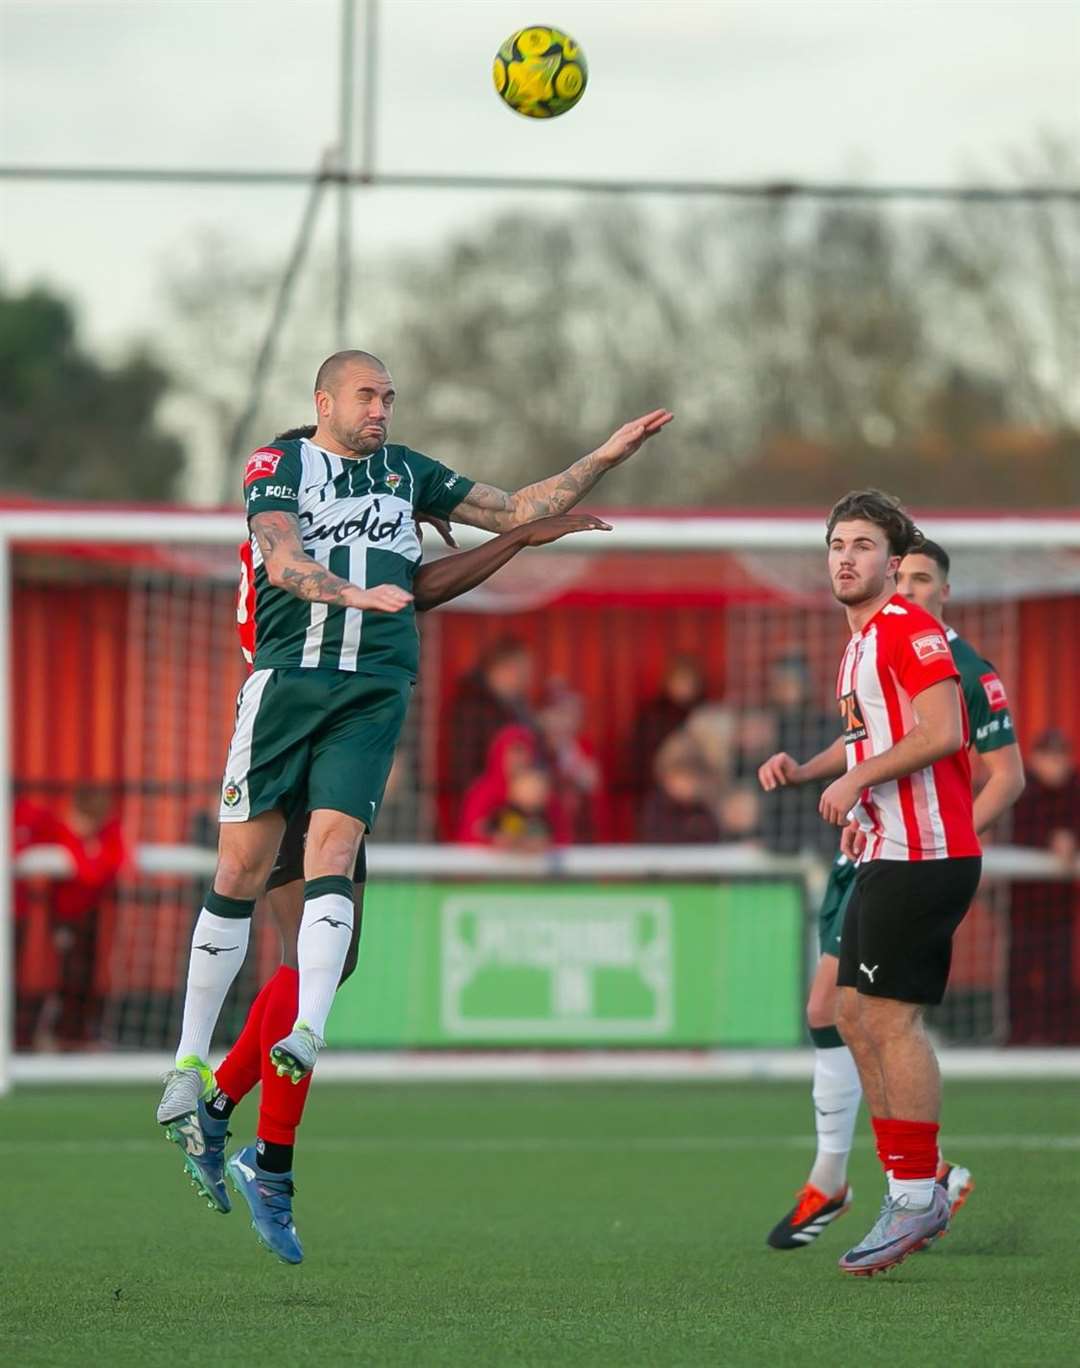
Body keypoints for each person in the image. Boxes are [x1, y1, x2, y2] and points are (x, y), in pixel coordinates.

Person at [155, 353, 671, 1255]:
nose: (384, 408)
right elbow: (283, 561)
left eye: (391, 396)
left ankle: (242, 1131)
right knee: (288, 917)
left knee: (330, 952)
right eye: (369, 394)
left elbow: (503, 519)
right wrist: (353, 593)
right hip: (290, 695)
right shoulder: (278, 466)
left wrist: (602, 457)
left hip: (369, 692)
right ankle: (230, 1120)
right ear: (325, 403)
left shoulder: (409, 476)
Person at [760, 535, 1025, 1255]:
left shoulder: (952, 658)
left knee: (880, 1017)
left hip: (922, 850)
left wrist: (938, 831)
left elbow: (998, 771)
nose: (903, 583)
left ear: (943, 588)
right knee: (845, 1011)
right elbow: (865, 743)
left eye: (916, 575)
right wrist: (826, 778)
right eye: (840, 547)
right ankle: (907, 1181)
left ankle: (909, 1188)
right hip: (877, 843)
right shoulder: (865, 644)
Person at [1007, 729, 1080, 1044]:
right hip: (1023, 905)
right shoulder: (1019, 788)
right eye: (1048, 757)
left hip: (1062, 906)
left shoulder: (1075, 789)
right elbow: (1010, 835)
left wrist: (1071, 839)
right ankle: (1019, 1035)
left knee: (1061, 971)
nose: (1056, 765)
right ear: (1035, 760)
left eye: (1060, 757)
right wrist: (1047, 842)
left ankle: (1061, 1035)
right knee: (1019, 969)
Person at [448, 637, 536, 802]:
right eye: (523, 671)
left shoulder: (517, 705)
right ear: (506, 668)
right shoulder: (473, 703)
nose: (527, 679)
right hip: (485, 799)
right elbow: (463, 758)